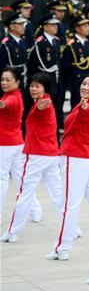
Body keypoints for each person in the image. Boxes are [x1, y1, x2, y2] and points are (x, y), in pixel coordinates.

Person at [48, 74, 89, 261]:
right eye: (84, 83)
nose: (85, 87)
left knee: (70, 205)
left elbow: (85, 112)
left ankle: (62, 248)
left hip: (76, 159)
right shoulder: (87, 105)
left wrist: (84, 108)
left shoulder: (87, 107)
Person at [3, 73, 64, 243]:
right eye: (32, 85)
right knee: (57, 193)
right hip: (50, 155)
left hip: (37, 156)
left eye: (38, 86)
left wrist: (40, 106)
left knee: (25, 194)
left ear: (45, 88)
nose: (33, 88)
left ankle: (12, 231)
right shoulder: (41, 102)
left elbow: (41, 108)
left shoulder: (44, 103)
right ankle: (72, 228)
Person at [0, 68, 25, 225]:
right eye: (2, 79)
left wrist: (3, 104)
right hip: (15, 142)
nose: (4, 83)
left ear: (17, 82)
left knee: (2, 178)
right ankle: (34, 210)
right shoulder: (12, 95)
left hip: (6, 144)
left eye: (8, 80)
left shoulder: (12, 98)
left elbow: (5, 104)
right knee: (20, 179)